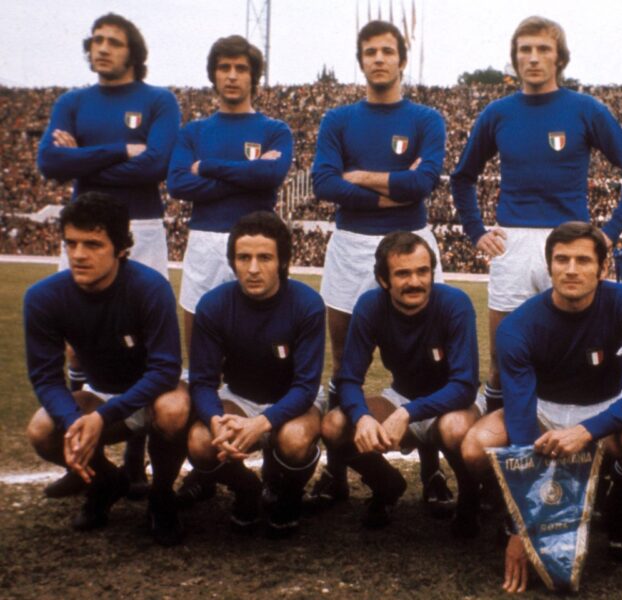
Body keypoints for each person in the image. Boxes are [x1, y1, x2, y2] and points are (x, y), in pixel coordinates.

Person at [450, 15, 622, 417]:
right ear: (514, 58)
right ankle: (503, 453)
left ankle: (583, 441)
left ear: (560, 57)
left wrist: (609, 231)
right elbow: (462, 177)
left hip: (570, 244)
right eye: (524, 50)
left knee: (574, 355)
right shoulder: (497, 113)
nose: (533, 57)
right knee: (502, 362)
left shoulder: (585, 109)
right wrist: (476, 231)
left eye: (543, 49)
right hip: (512, 245)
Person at [462, 222, 622, 593]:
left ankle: (614, 510)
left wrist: (585, 431)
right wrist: (524, 525)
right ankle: (509, 514)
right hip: (542, 412)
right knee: (476, 446)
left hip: (604, 409)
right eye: (562, 259)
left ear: (603, 268)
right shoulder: (517, 326)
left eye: (583, 260)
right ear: (549, 265)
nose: (571, 269)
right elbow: (521, 420)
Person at [36, 12, 181, 499]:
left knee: (143, 340)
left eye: (114, 42)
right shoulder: (72, 102)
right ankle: (83, 453)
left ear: (132, 51)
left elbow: (156, 165)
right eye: (96, 40)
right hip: (83, 228)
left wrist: (82, 158)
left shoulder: (158, 100)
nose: (102, 48)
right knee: (77, 338)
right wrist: (122, 149)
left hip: (141, 226)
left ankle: (137, 455)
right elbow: (48, 162)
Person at [309, 20, 449, 510]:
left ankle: (433, 472)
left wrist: (362, 177)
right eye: (370, 52)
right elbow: (324, 183)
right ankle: (336, 472)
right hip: (350, 244)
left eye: (387, 51)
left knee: (429, 359)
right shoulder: (338, 120)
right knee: (344, 359)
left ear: (401, 60)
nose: (379, 59)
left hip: (412, 243)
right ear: (361, 60)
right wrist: (392, 189)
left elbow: (423, 183)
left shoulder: (426, 118)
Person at [167, 34, 292, 507]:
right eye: (224, 67)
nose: (233, 75)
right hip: (204, 244)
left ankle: (271, 462)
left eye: (241, 67)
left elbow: (270, 177)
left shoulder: (274, 129)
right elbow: (178, 183)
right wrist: (242, 174)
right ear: (214, 74)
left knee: (263, 354)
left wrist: (209, 170)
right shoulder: (193, 130)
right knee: (201, 362)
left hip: (257, 244)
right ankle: (211, 468)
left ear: (254, 76)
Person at [23, 192, 188, 546]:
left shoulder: (150, 288)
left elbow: (165, 369)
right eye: (71, 243)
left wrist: (103, 417)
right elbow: (45, 377)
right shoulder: (42, 298)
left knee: (175, 409)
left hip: (152, 394)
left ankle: (162, 495)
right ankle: (106, 481)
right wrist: (74, 420)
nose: (79, 255)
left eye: (93, 244)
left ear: (121, 248)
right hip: (99, 394)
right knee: (41, 430)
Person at [320, 232, 481, 532]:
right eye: (403, 273)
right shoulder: (370, 305)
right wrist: (363, 417)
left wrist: (408, 413)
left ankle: (470, 500)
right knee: (334, 425)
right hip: (401, 395)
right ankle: (387, 485)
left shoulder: (455, 303)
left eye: (422, 271)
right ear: (384, 279)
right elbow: (349, 378)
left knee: (456, 428)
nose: (415, 282)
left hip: (451, 403)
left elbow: (464, 385)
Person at [186, 212, 325, 538]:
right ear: (232, 261)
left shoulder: (307, 304)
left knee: (295, 439)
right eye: (243, 257)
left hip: (295, 398)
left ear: (282, 261)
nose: (252, 268)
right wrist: (215, 421)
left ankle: (288, 493)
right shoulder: (213, 305)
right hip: (239, 397)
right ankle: (246, 488)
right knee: (201, 441)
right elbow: (202, 382)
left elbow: (306, 386)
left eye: (264, 257)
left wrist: (261, 424)